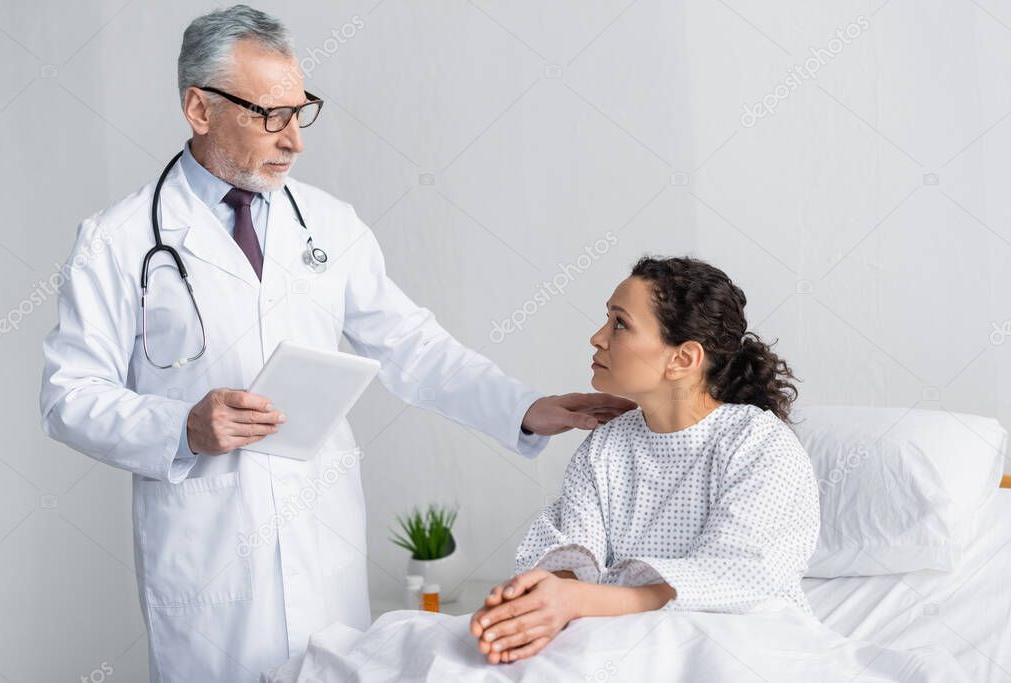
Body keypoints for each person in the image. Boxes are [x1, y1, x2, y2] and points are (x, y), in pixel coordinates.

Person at [38, 5, 633, 680]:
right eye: (271, 115)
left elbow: (412, 345)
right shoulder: (117, 241)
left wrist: (522, 407)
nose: (294, 139)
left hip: (323, 547)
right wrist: (184, 426)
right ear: (199, 109)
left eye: (301, 111)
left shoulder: (328, 224)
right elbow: (67, 396)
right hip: (209, 562)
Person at [470, 255, 821, 664]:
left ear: (682, 359)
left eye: (620, 323)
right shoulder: (606, 447)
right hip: (624, 645)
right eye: (607, 319)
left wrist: (577, 599)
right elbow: (572, 547)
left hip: (738, 650)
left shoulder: (757, 444)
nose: (598, 338)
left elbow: (739, 576)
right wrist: (541, 602)